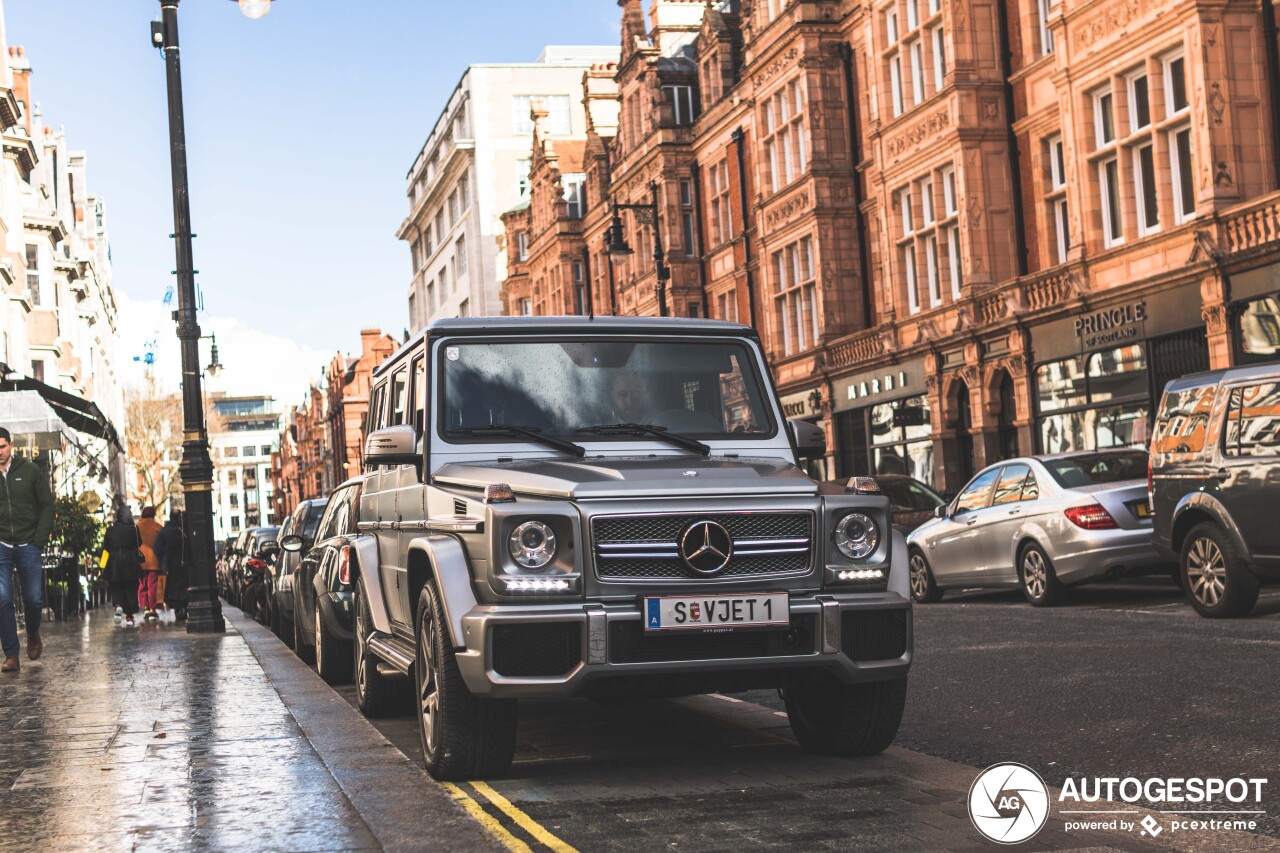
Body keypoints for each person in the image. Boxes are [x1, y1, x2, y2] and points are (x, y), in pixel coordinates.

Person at [0, 427, 54, 673]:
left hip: (28, 544)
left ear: (11, 445)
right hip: (1, 545)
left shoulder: (30, 471)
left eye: (2, 446)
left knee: (33, 598)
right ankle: (12, 654)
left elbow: (46, 506)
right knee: (3, 599)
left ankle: (33, 633)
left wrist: (38, 540)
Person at [103, 506, 142, 627]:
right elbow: (138, 543)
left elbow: (106, 548)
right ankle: (129, 617)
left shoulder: (110, 529)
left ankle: (118, 605)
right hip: (130, 562)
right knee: (131, 589)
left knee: (116, 587)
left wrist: (102, 566)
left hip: (114, 562)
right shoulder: (134, 529)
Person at [155, 510, 188, 621]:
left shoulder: (165, 531)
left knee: (172, 586)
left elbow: (158, 547)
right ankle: (183, 606)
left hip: (171, 563)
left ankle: (176, 607)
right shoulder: (185, 531)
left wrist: (163, 560)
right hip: (185, 563)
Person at [136, 506, 162, 621]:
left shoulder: (137, 526)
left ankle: (145, 607)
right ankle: (152, 609)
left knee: (142, 584)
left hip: (140, 561)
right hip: (154, 561)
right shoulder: (157, 526)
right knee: (153, 585)